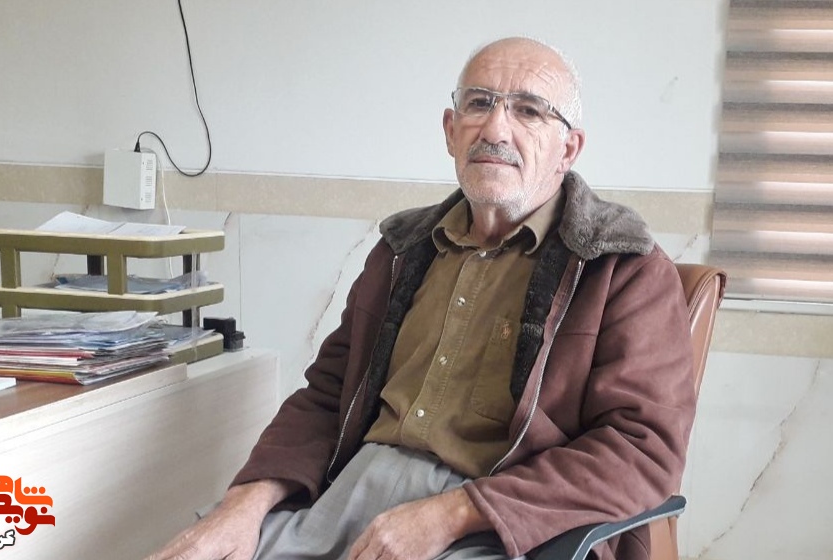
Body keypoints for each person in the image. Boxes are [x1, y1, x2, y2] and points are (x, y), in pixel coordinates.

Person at [147, 36, 695, 560]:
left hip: (507, 524)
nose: (495, 128)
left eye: (529, 111)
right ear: (451, 131)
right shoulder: (401, 250)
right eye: (479, 103)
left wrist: (452, 514)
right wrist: (243, 505)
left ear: (567, 149)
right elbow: (327, 396)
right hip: (349, 496)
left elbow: (642, 450)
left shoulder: (623, 267)